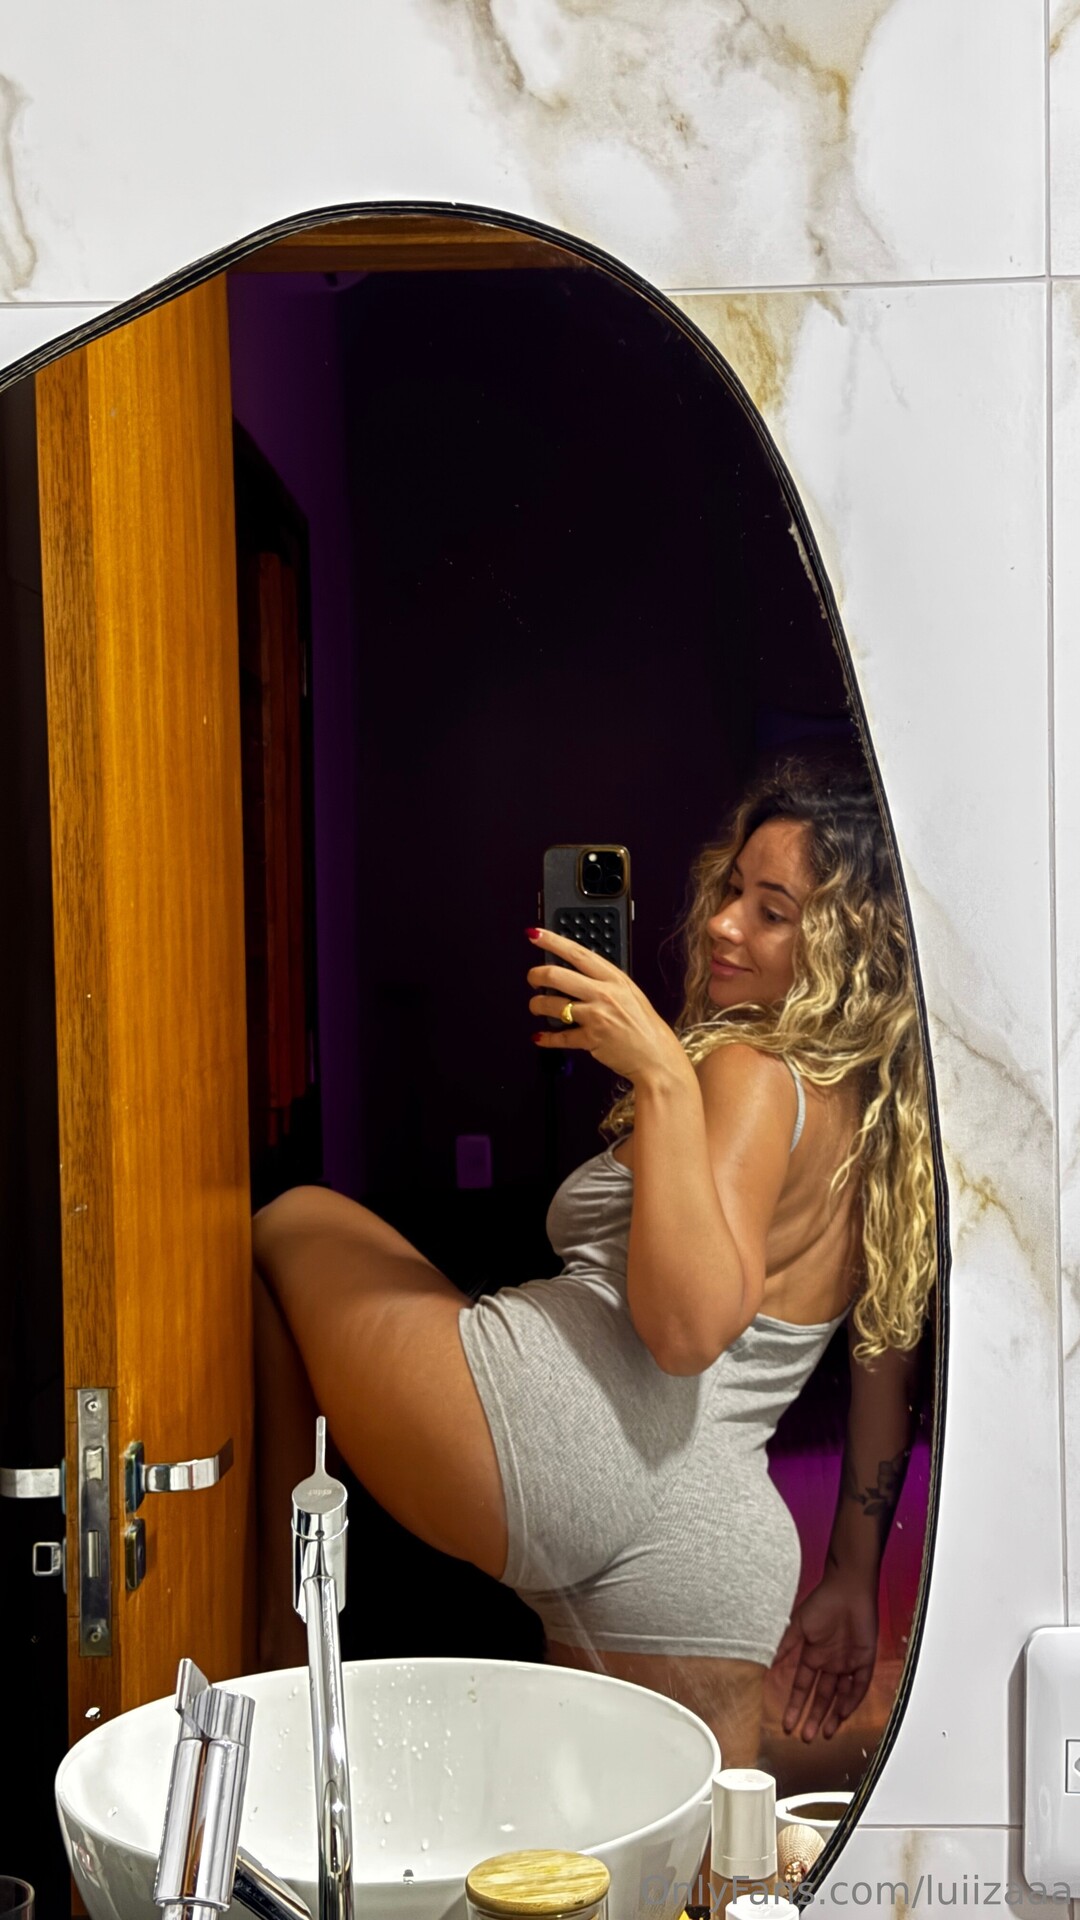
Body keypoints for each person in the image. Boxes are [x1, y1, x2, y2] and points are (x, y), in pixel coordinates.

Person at [251, 757, 936, 1769]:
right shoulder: (885, 1134)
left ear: (851, 942)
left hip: (559, 1436)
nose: (723, 925)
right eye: (732, 890)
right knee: (685, 1850)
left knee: (290, 1221)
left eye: (773, 912)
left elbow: (687, 1330)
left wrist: (662, 1074)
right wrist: (851, 1571)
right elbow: (884, 1365)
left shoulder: (751, 1071)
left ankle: (271, 1659)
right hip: (711, 1535)